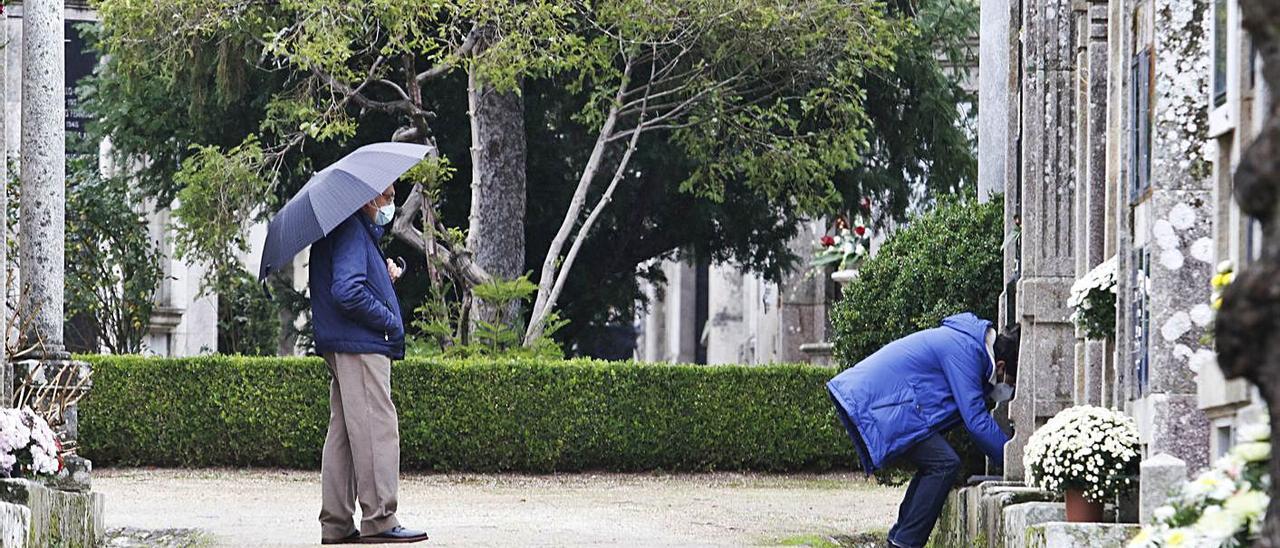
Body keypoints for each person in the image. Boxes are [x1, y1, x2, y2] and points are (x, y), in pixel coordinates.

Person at [826, 313, 1019, 548]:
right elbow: (975, 421)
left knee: (938, 463)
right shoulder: (967, 350)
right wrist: (1015, 460)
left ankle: (900, 540)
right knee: (944, 464)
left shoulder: (969, 345)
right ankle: (904, 542)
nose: (1008, 388)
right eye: (1010, 381)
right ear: (1000, 366)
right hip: (875, 403)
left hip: (885, 403)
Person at [309, 183, 428, 545]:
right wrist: (388, 320)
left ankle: (337, 524)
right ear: (368, 198)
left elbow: (351, 282)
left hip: (344, 342)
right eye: (388, 198)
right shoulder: (350, 229)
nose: (391, 204)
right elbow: (347, 291)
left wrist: (384, 274)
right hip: (361, 344)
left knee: (344, 433)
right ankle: (380, 519)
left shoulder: (349, 229)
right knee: (377, 427)